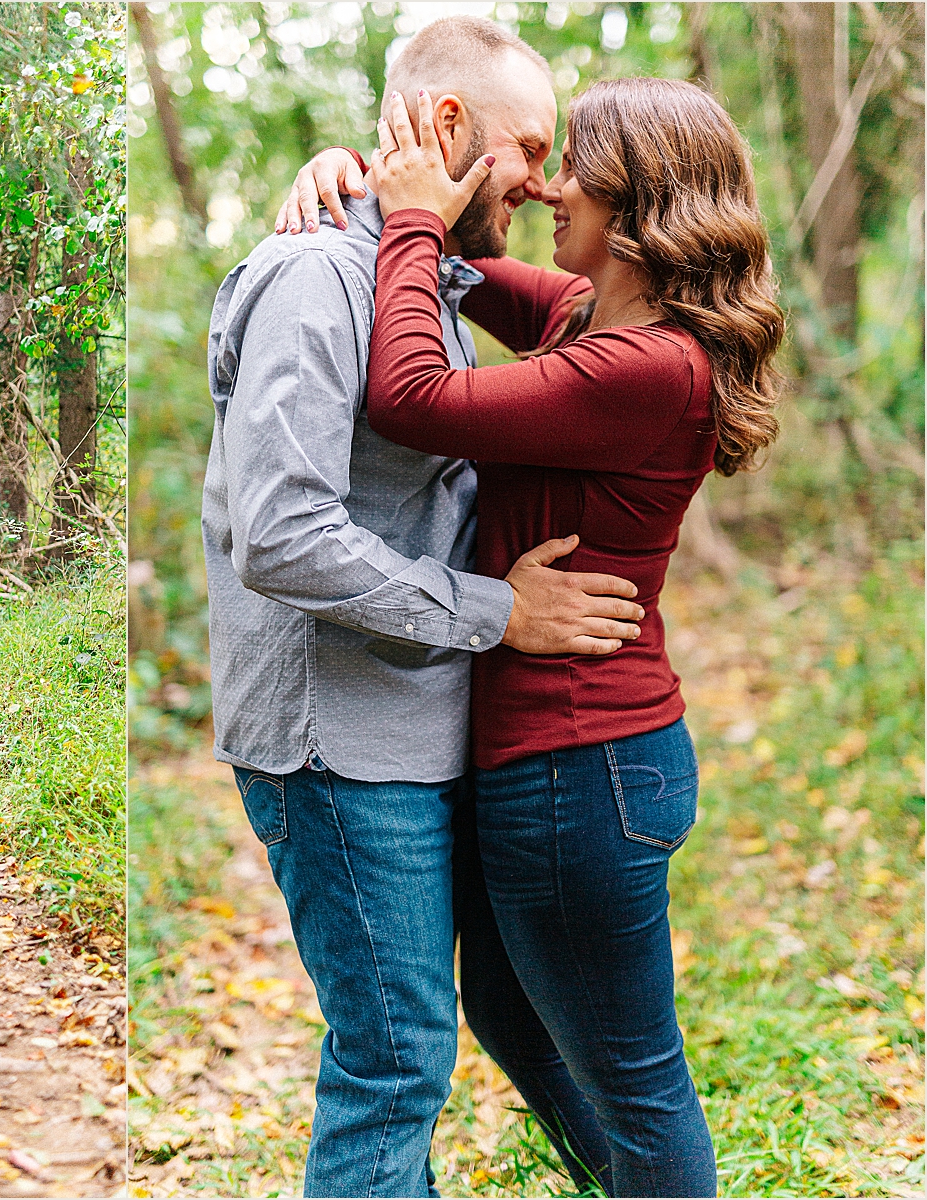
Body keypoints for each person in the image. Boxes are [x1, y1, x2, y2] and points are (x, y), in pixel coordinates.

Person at [278, 66, 783, 1200]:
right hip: (549, 760)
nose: (552, 188)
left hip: (582, 766)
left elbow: (411, 393)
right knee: (510, 1014)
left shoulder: (648, 367)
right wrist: (356, 184)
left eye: (577, 171)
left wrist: (405, 218)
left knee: (637, 1082)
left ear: (641, 199)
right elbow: (449, 272)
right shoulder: (581, 313)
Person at [201, 17, 657, 1196]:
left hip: (414, 724)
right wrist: (493, 612)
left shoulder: (422, 273)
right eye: (528, 146)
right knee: (395, 1063)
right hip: (338, 739)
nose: (546, 179)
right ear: (446, 128)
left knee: (442, 1039)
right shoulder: (313, 278)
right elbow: (282, 534)